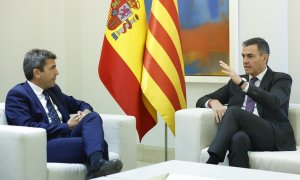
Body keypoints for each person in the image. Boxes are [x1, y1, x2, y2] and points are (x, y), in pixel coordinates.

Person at [5, 49, 123, 179]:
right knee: (100, 144)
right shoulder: (18, 94)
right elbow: (27, 127)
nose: (57, 72)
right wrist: (66, 126)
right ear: (37, 73)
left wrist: (85, 112)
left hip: (66, 137)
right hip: (43, 144)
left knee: (92, 117)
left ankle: (96, 167)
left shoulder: (53, 90)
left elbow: (79, 104)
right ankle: (96, 167)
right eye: (52, 68)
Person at [196, 37, 296, 168]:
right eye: (243, 56)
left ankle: (212, 162)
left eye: (250, 56)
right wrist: (213, 102)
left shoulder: (281, 79)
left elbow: (274, 101)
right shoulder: (236, 81)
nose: (245, 61)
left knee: (234, 112)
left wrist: (244, 85)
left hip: (272, 134)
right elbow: (201, 100)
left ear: (264, 57)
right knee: (238, 138)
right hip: (247, 135)